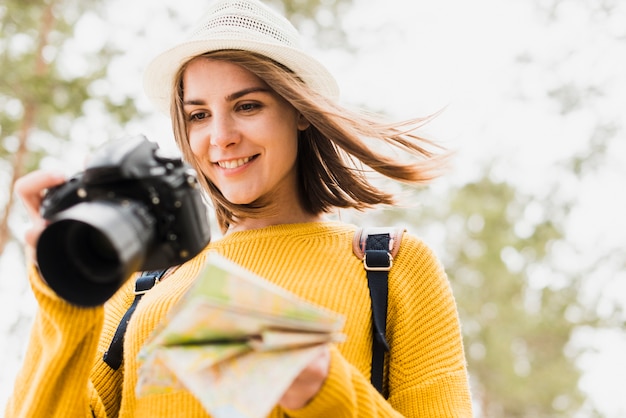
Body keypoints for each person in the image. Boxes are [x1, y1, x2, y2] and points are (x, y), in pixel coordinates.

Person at [6, 0, 473, 416]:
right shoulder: (144, 285)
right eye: (199, 114)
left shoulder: (389, 266)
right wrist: (63, 301)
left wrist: (317, 385)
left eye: (247, 106)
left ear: (300, 111)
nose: (221, 136)